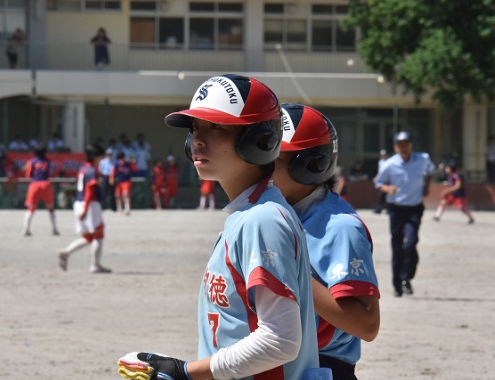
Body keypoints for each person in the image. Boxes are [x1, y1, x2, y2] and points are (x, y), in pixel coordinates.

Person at [118, 74, 319, 379]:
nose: (197, 139)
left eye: (216, 128)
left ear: (257, 140)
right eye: (195, 128)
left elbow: (281, 340)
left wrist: (185, 372)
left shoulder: (261, 218)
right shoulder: (248, 212)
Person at [272, 103, 380, 379]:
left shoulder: (340, 227)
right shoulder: (270, 215)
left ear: (309, 164)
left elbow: (367, 325)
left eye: (272, 159)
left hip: (322, 367)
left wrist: (291, 272)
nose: (259, 169)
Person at [374, 131, 435, 297]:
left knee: (411, 242)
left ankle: (407, 277)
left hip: (414, 207)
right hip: (396, 209)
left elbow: (430, 170)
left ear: (411, 145)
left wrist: (427, 186)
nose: (403, 147)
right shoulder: (390, 164)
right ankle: (398, 285)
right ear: (395, 147)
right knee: (397, 245)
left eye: (406, 144)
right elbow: (378, 183)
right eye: (400, 144)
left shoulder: (423, 159)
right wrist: (389, 189)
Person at [58, 143, 111, 274]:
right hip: (90, 204)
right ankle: (95, 265)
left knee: (88, 237)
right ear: (95, 157)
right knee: (99, 235)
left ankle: (66, 252)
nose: (101, 160)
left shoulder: (83, 169)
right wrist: (86, 209)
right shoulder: (92, 171)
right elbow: (89, 190)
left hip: (79, 203)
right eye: (100, 157)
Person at [21, 145, 60, 237]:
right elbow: (50, 172)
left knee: (31, 209)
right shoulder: (48, 161)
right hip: (46, 184)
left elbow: (28, 175)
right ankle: (54, 229)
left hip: (35, 184)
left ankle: (26, 229)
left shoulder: (31, 162)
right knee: (50, 208)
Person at [373, 149, 389, 214]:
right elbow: (380, 172)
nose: (383, 156)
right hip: (382, 180)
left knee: (388, 196)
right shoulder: (380, 162)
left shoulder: (389, 162)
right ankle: (379, 209)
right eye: (382, 155)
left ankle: (388, 209)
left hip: (387, 180)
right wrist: (376, 177)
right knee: (381, 195)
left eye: (384, 155)